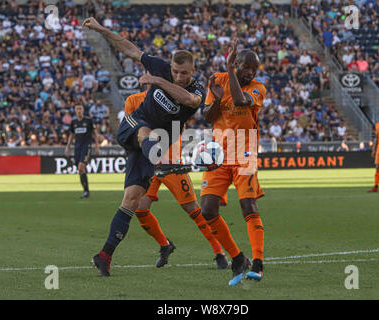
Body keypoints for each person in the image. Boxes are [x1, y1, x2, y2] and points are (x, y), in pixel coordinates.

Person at [81, 17, 206, 277]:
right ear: (170, 66)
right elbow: (128, 47)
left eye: (184, 73)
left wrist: (158, 81)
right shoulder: (160, 66)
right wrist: (100, 29)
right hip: (134, 126)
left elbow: (190, 100)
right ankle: (161, 165)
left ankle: (104, 256)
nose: (180, 77)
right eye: (175, 71)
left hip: (155, 145)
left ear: (193, 72)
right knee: (145, 132)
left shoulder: (196, 88)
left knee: (132, 200)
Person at [124, 91, 228, 269]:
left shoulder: (173, 96)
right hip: (148, 164)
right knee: (140, 210)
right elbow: (131, 130)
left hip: (172, 164)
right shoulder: (133, 100)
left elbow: (179, 124)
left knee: (193, 210)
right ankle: (165, 245)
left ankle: (219, 252)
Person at [201, 39, 266, 286]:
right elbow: (207, 117)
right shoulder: (216, 81)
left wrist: (231, 70)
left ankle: (258, 263)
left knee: (248, 206)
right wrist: (216, 99)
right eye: (245, 66)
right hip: (219, 154)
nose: (250, 72)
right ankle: (238, 258)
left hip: (245, 153)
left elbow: (240, 101)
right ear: (237, 62)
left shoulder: (259, 88)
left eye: (254, 68)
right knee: (207, 210)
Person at [65, 104, 100, 198]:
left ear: (83, 110)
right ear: (75, 110)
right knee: (80, 170)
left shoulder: (88, 121)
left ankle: (86, 192)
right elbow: (71, 135)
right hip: (77, 148)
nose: (79, 110)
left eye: (80, 108)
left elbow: (95, 134)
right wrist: (67, 147)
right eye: (77, 108)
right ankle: (86, 191)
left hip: (86, 146)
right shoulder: (74, 122)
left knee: (81, 167)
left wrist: (97, 146)